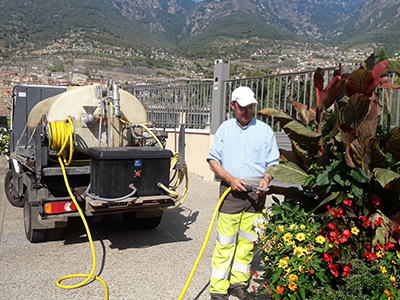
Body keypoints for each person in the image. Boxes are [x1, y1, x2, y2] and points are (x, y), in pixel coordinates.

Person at [206, 86, 280, 300]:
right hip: (230, 193)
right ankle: (218, 289)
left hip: (256, 196)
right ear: (233, 105)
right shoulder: (224, 129)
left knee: (248, 243)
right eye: (242, 107)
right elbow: (213, 160)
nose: (247, 111)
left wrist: (266, 178)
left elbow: (272, 163)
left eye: (250, 107)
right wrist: (230, 179)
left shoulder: (265, 131)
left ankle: (238, 285)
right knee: (225, 243)